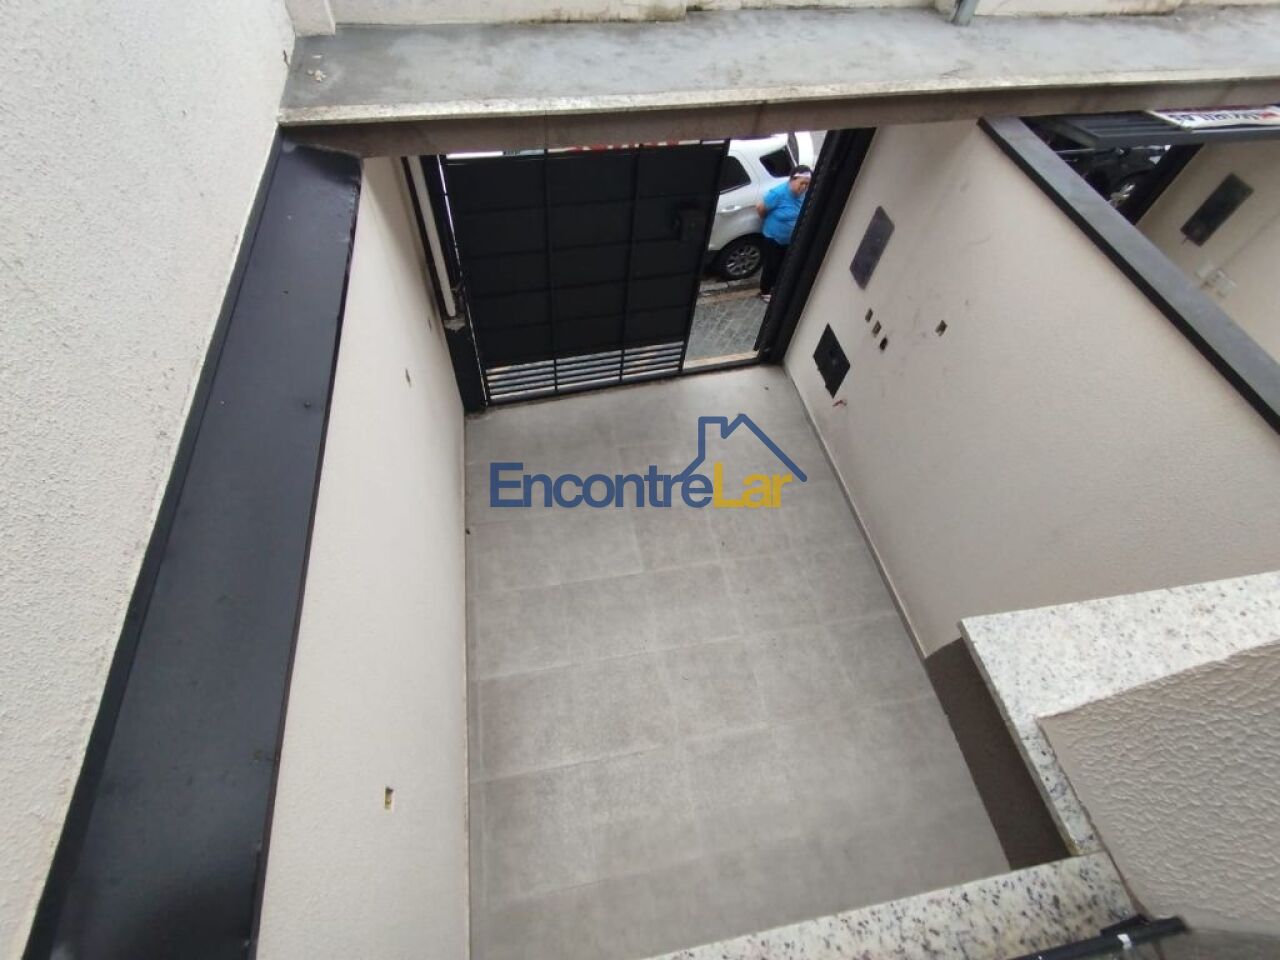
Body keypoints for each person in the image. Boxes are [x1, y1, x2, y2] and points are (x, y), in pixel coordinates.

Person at [755, 165, 812, 302]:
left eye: (807, 184)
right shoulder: (778, 193)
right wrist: (767, 220)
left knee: (782, 265)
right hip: (773, 238)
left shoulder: (803, 194)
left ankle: (777, 287)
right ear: (792, 180)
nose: (804, 187)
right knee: (771, 265)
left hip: (789, 239)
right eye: (802, 183)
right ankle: (765, 291)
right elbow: (760, 208)